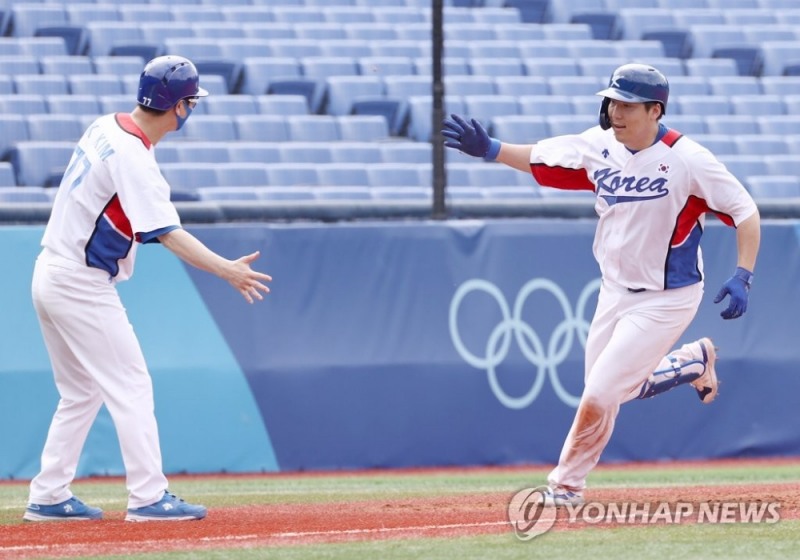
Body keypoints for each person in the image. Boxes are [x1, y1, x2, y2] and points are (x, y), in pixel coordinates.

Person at [442, 63, 761, 506]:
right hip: (614, 291)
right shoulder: (600, 146)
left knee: (600, 392)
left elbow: (745, 211)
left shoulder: (688, 160)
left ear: (655, 110)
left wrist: (743, 274)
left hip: (667, 297)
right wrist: (491, 149)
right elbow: (540, 158)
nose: (615, 112)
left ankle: (567, 486)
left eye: (627, 105)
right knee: (618, 388)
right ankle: (693, 362)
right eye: (612, 102)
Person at [24, 55, 273, 522]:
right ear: (179, 106)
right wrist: (227, 270)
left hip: (50, 271)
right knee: (131, 385)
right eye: (190, 101)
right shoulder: (133, 156)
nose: (191, 108)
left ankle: (49, 494)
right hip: (80, 282)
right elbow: (168, 234)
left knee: (81, 392)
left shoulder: (106, 125)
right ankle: (147, 497)